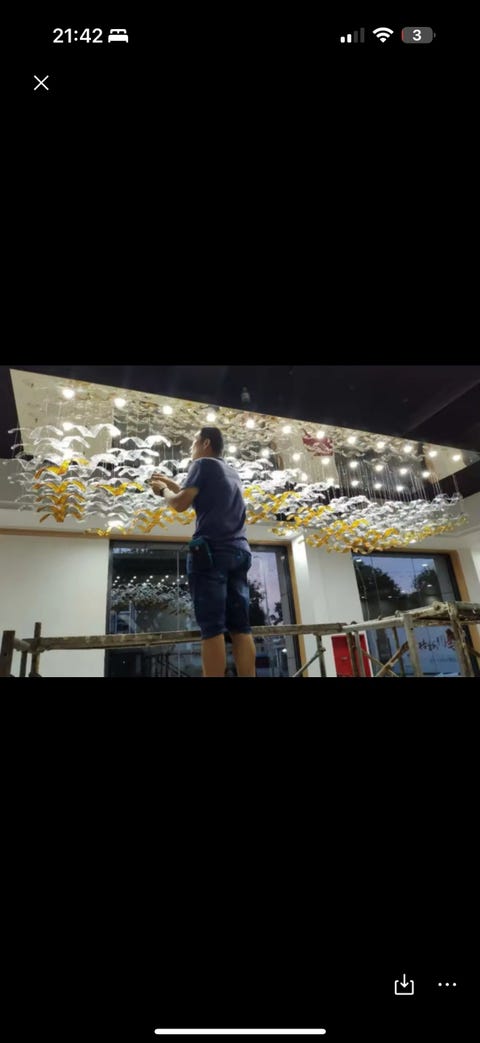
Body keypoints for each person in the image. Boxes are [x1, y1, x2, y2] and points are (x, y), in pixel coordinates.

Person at [149, 427, 256, 677]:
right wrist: (171, 483)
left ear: (206, 443)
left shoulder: (202, 464)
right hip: (240, 551)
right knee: (241, 627)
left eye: (193, 442)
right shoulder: (231, 471)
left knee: (212, 627)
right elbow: (197, 496)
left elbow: (180, 504)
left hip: (211, 553)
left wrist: (162, 491)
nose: (190, 447)